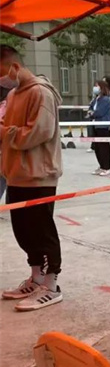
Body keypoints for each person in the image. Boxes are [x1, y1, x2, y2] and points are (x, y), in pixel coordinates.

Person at [0, 44, 64, 311]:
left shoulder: (41, 93)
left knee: (41, 230)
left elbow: (39, 132)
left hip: (38, 175)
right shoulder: (13, 94)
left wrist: (5, 132)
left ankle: (51, 285)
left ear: (15, 67)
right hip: (16, 174)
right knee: (23, 231)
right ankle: (36, 277)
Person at [90, 79, 110, 176]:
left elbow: (99, 112)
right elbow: (90, 108)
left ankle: (106, 167)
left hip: (103, 126)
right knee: (97, 148)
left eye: (97, 86)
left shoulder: (106, 100)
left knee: (104, 148)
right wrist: (91, 112)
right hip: (95, 125)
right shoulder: (96, 99)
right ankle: (101, 166)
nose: (95, 88)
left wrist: (92, 114)